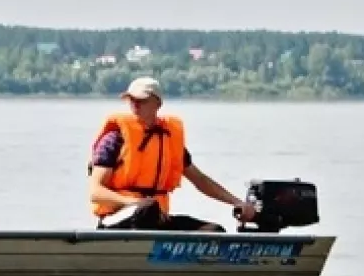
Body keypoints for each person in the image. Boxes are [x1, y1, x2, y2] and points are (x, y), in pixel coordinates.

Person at [87, 76, 257, 231]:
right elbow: (96, 192)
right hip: (117, 218)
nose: (135, 104)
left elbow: (200, 180)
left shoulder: (168, 140)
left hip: (156, 218)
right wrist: (135, 203)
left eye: (142, 100)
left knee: (213, 231)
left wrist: (237, 202)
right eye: (131, 99)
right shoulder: (114, 139)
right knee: (147, 210)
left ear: (158, 103)